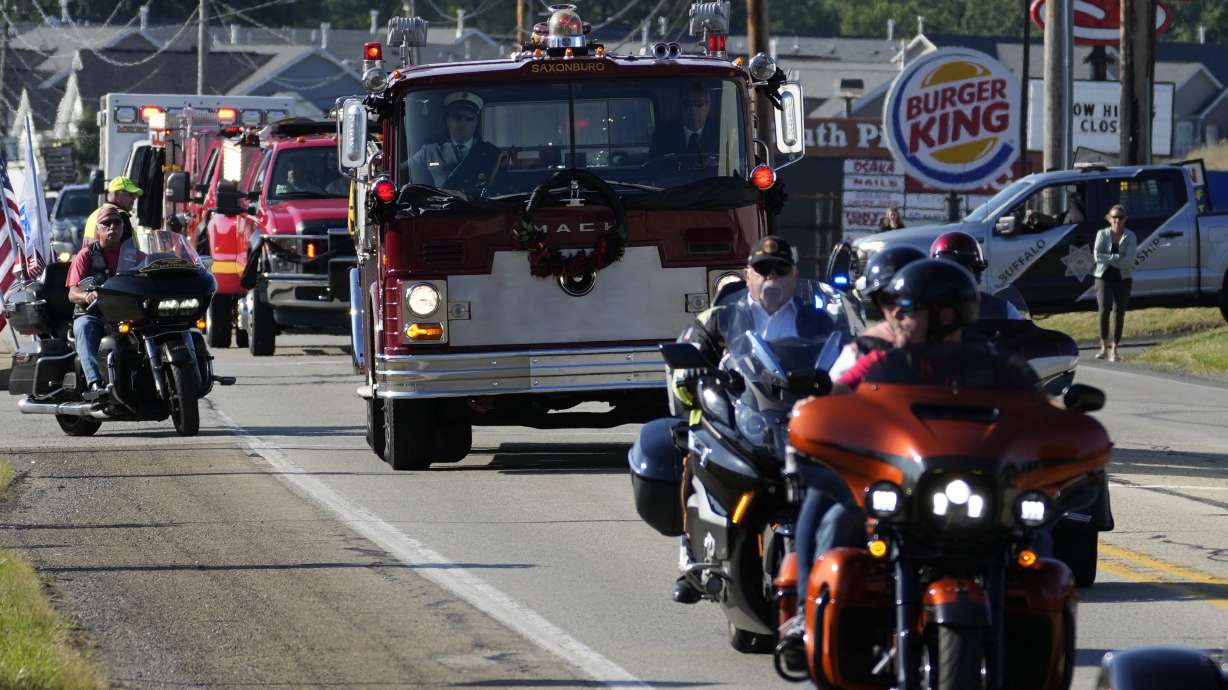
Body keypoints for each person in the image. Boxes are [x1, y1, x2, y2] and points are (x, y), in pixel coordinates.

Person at [652, 235, 836, 604]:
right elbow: (688, 348)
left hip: (798, 415)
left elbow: (842, 350)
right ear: (748, 274)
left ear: (793, 275)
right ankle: (690, 558)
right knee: (694, 454)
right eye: (762, 269)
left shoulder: (816, 319)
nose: (771, 277)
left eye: (780, 270)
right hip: (740, 412)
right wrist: (691, 380)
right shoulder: (721, 316)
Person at [828, 245, 926, 381]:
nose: (898, 310)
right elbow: (831, 394)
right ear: (878, 304)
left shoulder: (954, 348)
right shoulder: (864, 349)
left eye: (908, 299)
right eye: (887, 299)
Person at [66, 204, 130, 399]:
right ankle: (95, 383)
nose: (112, 227)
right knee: (84, 327)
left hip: (125, 313)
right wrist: (86, 296)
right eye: (106, 223)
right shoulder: (86, 255)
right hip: (93, 314)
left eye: (117, 222)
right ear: (98, 229)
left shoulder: (134, 254)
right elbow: (72, 293)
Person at [407, 91, 502, 192]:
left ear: (476, 122)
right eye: (457, 117)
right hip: (441, 206)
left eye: (469, 118)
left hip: (479, 207)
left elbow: (500, 190)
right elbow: (402, 172)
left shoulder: (492, 154)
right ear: (447, 120)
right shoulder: (430, 151)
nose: (462, 123)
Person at [929, 231, 1025, 320]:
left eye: (967, 270)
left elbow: (1021, 335)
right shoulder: (924, 310)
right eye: (952, 272)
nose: (959, 279)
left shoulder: (1003, 309)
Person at [1093, 204, 1138, 362]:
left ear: (1125, 219)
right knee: (1104, 310)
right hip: (1103, 277)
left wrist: (1110, 258)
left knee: (1119, 312)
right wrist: (1117, 257)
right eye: (1114, 217)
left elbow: (1128, 261)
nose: (1117, 220)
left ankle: (1115, 349)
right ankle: (1103, 347)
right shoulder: (1102, 234)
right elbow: (1097, 256)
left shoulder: (1130, 236)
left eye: (1120, 217)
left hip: (1123, 278)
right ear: (1109, 218)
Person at [649, 81, 719, 159]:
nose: (692, 109)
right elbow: (653, 165)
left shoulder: (720, 134)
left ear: (708, 106)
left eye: (699, 104)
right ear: (680, 106)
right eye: (687, 104)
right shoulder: (662, 136)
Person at [82, 177, 142, 243]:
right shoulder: (120, 215)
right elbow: (127, 250)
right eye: (131, 195)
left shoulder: (93, 215)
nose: (134, 199)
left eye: (135, 195)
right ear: (116, 194)